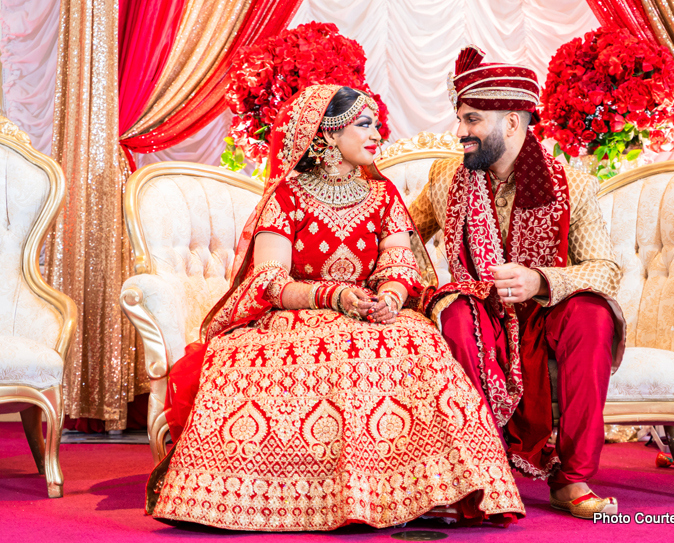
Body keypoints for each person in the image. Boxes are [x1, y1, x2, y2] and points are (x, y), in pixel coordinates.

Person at [145, 84, 525, 531]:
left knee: (418, 338)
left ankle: (434, 491)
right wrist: (331, 296)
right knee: (321, 353)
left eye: (377, 125)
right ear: (326, 135)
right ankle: (272, 497)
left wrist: (389, 297)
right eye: (364, 125)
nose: (376, 135)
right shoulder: (286, 195)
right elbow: (268, 279)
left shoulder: (382, 194)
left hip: (371, 311)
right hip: (297, 313)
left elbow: (400, 263)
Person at [408, 46, 626, 520]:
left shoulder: (573, 184)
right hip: (481, 306)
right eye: (461, 119)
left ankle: (572, 479)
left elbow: (606, 269)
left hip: (545, 310)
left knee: (593, 314)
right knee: (457, 317)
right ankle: (477, 474)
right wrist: (423, 289)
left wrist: (539, 280)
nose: (460, 132)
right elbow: (403, 233)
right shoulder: (447, 177)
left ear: (511, 123)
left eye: (471, 120)